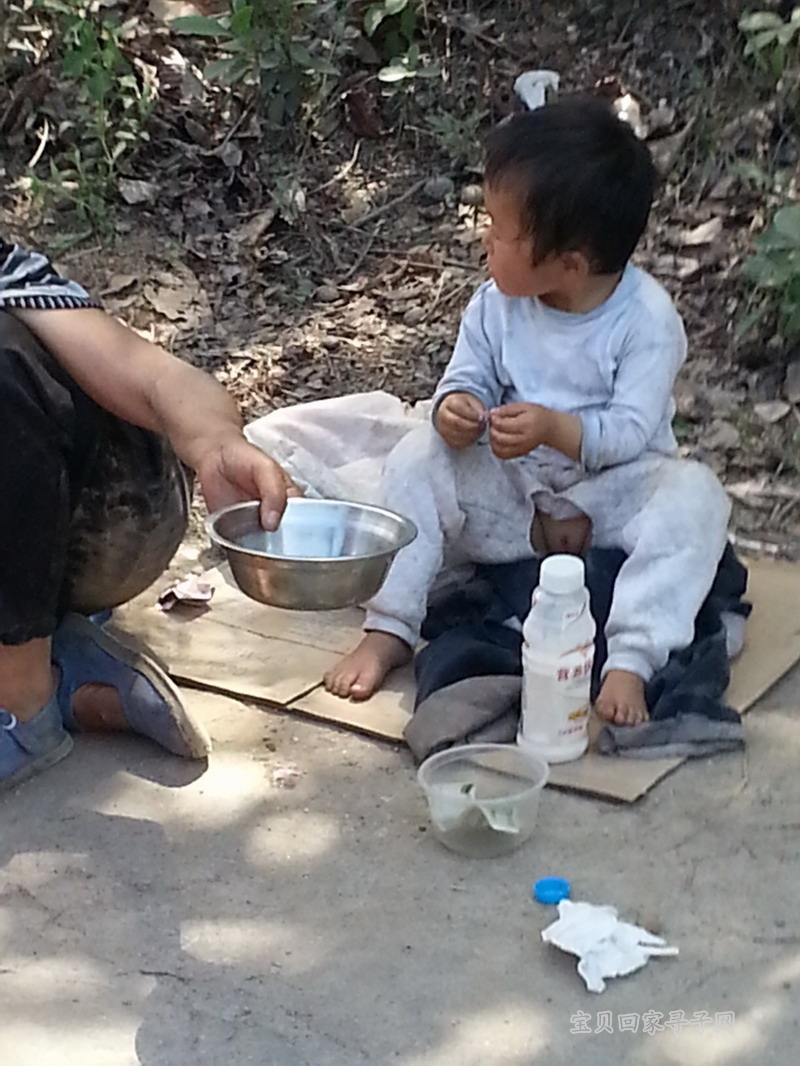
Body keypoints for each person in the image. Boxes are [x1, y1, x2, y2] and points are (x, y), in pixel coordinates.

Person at [324, 96, 732, 726]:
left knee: (698, 497)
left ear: (568, 265)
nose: (485, 238)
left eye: (501, 229)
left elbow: (630, 430)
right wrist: (455, 408)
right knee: (417, 454)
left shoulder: (647, 322)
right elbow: (467, 375)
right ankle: (392, 624)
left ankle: (632, 656)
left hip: (611, 498)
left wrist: (555, 429)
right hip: (514, 497)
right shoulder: (496, 305)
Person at [0, 237, 297, 791]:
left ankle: (23, 703)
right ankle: (70, 675)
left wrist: (216, 443)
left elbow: (156, 376)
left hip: (105, 509)